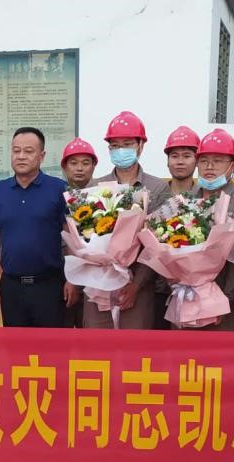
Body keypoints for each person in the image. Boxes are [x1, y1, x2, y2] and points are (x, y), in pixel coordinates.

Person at [83, 111, 170, 330]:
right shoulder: (94, 187)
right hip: (98, 286)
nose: (121, 150)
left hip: (138, 288)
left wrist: (136, 284)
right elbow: (85, 238)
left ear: (141, 146)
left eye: (127, 144)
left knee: (135, 348)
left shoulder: (158, 189)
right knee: (96, 347)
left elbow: (156, 243)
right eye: (115, 145)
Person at [0, 127, 75, 328]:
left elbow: (71, 237)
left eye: (29, 151)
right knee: (15, 345)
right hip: (11, 286)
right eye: (16, 151)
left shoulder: (59, 189)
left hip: (49, 286)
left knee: (50, 345)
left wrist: (72, 279)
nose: (21, 156)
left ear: (42, 156)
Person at [191, 128, 234, 332]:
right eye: (204, 161)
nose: (209, 166)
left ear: (232, 166)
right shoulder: (184, 200)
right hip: (188, 296)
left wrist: (227, 297)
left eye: (217, 161)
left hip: (227, 302)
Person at [60, 137, 97, 327]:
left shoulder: (103, 195)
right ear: (64, 167)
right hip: (60, 278)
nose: (79, 168)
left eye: (85, 163)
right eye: (73, 163)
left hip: (96, 280)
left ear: (94, 166)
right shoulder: (55, 194)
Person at [164, 126, 200, 195]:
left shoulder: (205, 197)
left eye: (186, 156)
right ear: (167, 161)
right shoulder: (154, 194)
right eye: (175, 156)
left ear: (197, 162)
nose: (180, 162)